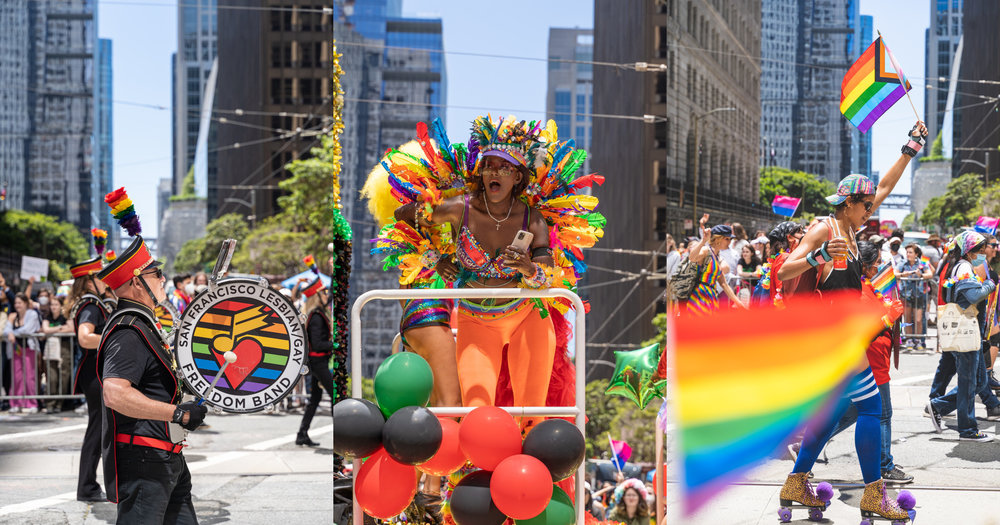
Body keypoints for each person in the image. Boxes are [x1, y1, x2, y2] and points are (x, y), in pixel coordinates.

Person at [776, 121, 926, 523]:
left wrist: (910, 149)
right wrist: (818, 254)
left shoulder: (851, 229)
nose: (870, 211)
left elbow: (887, 186)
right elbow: (785, 271)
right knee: (873, 407)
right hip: (831, 339)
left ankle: (796, 481)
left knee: (833, 411)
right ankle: (874, 495)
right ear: (848, 204)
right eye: (866, 206)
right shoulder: (826, 227)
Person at [96, 234, 207, 520]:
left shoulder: (142, 324)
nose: (162, 279)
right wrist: (178, 414)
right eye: (156, 273)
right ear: (136, 282)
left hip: (167, 456)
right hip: (145, 460)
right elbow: (115, 393)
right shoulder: (128, 331)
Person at [822, 241, 911, 483]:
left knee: (849, 412)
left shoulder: (869, 286)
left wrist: (889, 311)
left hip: (876, 359)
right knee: (882, 414)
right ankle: (884, 466)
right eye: (876, 263)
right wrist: (887, 317)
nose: (880, 267)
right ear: (865, 266)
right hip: (869, 361)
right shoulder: (858, 291)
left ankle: (807, 446)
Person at [926, 230, 1000, 439]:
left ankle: (938, 406)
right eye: (981, 249)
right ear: (970, 251)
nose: (984, 253)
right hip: (966, 330)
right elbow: (973, 295)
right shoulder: (965, 267)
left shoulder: (961, 266)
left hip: (970, 331)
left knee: (978, 381)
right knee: (970, 382)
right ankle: (967, 428)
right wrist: (989, 284)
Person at [67, 255, 114, 502]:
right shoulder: (91, 306)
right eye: (99, 276)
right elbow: (85, 338)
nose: (104, 279)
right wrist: (113, 339)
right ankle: (86, 486)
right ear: (88, 281)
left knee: (99, 430)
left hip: (94, 372)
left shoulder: (96, 304)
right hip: (94, 374)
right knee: (97, 431)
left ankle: (89, 485)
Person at [296, 277, 337, 450]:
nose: (327, 295)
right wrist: (336, 344)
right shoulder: (317, 317)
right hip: (318, 362)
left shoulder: (317, 314)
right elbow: (319, 344)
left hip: (318, 361)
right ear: (317, 296)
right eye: (323, 292)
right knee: (336, 398)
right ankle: (342, 438)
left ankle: (302, 434)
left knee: (315, 399)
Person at [686, 221, 747, 314]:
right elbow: (692, 258)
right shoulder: (706, 250)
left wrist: (739, 303)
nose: (730, 242)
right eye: (727, 239)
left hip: (710, 296)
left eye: (730, 239)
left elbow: (724, 284)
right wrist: (703, 241)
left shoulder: (717, 256)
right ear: (718, 239)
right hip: (699, 296)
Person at [3, 293, 41, 414]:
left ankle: (32, 403)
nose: (17, 305)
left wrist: (13, 333)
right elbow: (5, 331)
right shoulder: (13, 316)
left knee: (30, 377)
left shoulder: (32, 314)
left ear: (25, 303)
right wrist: (10, 333)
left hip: (29, 348)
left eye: (19, 303)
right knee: (17, 377)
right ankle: (16, 403)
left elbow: (28, 330)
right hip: (15, 349)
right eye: (15, 303)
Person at [41, 297, 73, 414]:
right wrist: (60, 328)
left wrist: (52, 330)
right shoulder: (47, 317)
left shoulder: (65, 316)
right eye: (52, 305)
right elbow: (45, 329)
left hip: (64, 347)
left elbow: (72, 329)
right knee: (51, 377)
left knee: (63, 376)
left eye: (56, 304)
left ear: (60, 306)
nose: (54, 307)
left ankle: (59, 403)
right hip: (51, 348)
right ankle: (50, 403)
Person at [897, 243, 932, 349]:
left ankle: (918, 340)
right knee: (907, 318)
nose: (908, 254)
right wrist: (904, 274)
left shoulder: (922, 263)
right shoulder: (902, 263)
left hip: (919, 294)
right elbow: (895, 273)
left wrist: (920, 275)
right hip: (906, 294)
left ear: (916, 254)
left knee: (918, 319)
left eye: (910, 252)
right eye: (907, 252)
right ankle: (909, 340)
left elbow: (930, 274)